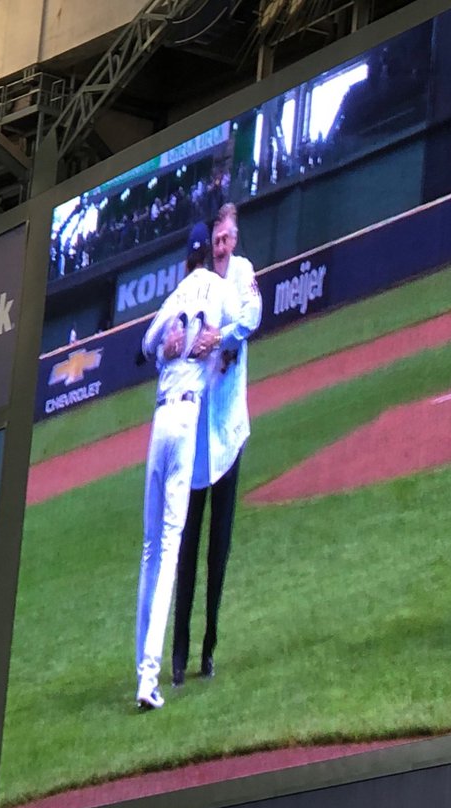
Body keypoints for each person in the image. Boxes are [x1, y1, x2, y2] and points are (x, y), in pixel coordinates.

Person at [134, 221, 236, 710]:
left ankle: (142, 668)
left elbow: (143, 346)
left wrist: (163, 349)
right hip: (187, 419)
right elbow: (246, 322)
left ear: (184, 260)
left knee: (149, 550)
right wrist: (219, 337)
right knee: (170, 549)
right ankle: (147, 678)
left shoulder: (175, 296)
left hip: (159, 423)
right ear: (208, 256)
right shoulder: (218, 287)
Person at [171, 203, 262, 683]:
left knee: (218, 550)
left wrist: (218, 337)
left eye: (227, 239)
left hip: (227, 430)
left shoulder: (242, 274)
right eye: (216, 242)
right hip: (194, 434)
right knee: (187, 547)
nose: (222, 248)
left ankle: (209, 646)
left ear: (235, 238)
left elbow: (251, 318)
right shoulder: (199, 284)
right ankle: (179, 652)